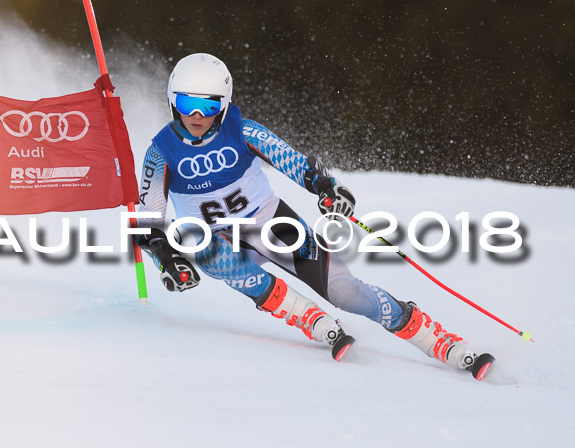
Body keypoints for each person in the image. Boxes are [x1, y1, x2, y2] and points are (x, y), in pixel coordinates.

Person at [135, 52, 481, 372]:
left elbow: (294, 162)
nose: (196, 116)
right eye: (186, 103)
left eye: (207, 106)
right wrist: (167, 258)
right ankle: (307, 316)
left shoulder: (242, 130)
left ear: (223, 107)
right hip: (221, 241)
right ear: (171, 101)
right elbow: (149, 221)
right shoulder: (160, 153)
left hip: (272, 224)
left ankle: (432, 337)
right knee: (201, 245)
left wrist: (326, 187)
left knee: (346, 292)